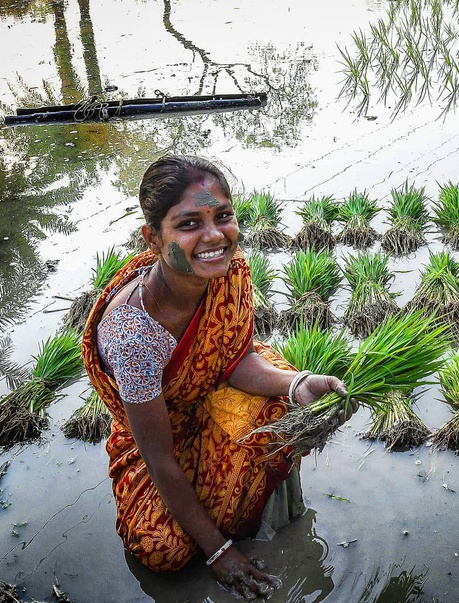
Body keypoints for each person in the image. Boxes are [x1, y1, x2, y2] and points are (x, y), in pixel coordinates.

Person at [82, 155, 352, 599]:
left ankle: (257, 509)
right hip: (155, 437)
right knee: (162, 551)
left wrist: (297, 383)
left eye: (222, 216)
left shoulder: (230, 272)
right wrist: (219, 552)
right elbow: (160, 458)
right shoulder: (134, 332)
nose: (214, 236)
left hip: (211, 397)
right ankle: (224, 522)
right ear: (153, 238)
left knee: (279, 404)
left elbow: (235, 358)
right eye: (189, 224)